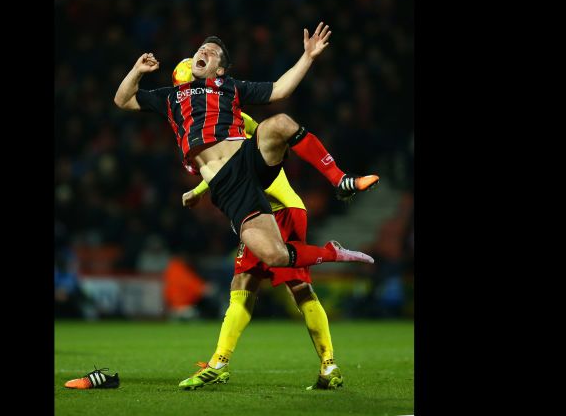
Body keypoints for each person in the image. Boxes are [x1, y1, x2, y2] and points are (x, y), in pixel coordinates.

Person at [67, 23, 377, 390]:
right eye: (201, 48)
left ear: (220, 69)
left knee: (279, 122)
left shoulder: (228, 89)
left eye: (212, 52)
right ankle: (332, 254)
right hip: (230, 188)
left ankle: (339, 178)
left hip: (249, 162)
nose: (204, 52)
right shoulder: (170, 98)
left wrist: (307, 57)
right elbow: (121, 100)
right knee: (274, 258)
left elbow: (280, 89)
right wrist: (136, 70)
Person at [172, 58, 346, 390]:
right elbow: (230, 169)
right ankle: (223, 363)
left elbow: (244, 160)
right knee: (245, 286)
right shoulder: (209, 123)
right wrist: (199, 189)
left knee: (290, 288)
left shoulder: (231, 117)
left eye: (188, 89)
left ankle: (325, 364)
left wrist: (197, 189)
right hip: (268, 207)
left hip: (279, 208)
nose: (187, 96)